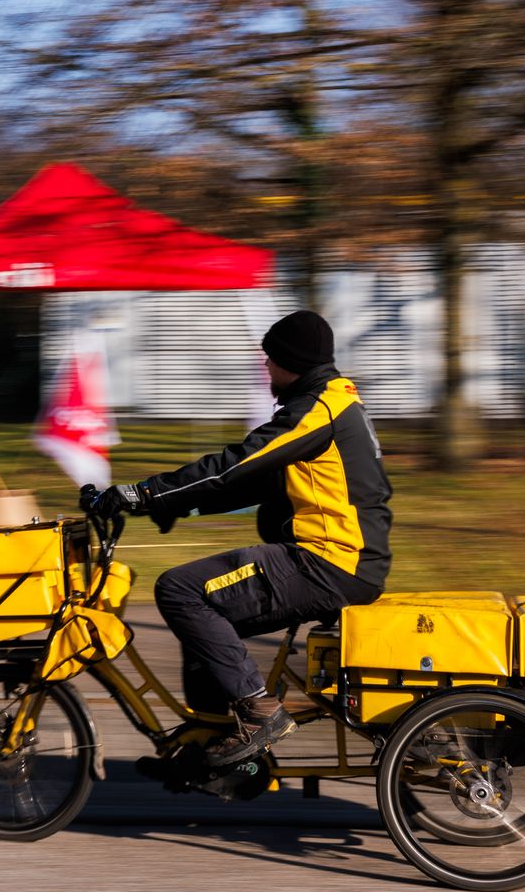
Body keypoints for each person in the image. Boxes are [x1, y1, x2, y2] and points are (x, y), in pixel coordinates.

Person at [87, 310, 391, 777]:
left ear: (292, 361)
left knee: (180, 590)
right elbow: (260, 484)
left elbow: (236, 465)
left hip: (325, 561)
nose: (265, 369)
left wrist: (142, 491)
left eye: (270, 360)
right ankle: (220, 757)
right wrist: (169, 505)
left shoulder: (317, 410)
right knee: (206, 631)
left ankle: (258, 712)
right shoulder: (332, 402)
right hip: (341, 561)